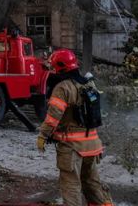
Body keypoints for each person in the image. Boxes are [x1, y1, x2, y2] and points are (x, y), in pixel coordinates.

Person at [36, 48, 114, 206]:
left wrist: (43, 136)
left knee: (71, 186)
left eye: (54, 67)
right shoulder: (88, 84)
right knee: (92, 184)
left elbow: (53, 118)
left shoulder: (63, 87)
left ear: (60, 67)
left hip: (72, 148)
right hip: (92, 145)